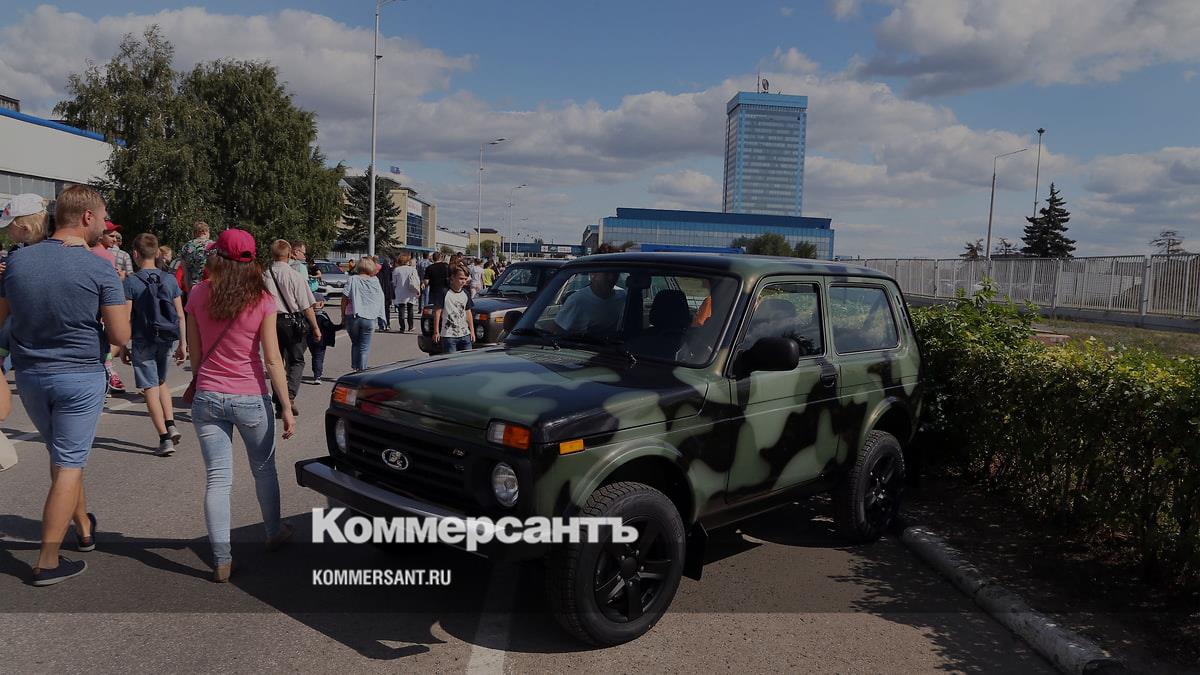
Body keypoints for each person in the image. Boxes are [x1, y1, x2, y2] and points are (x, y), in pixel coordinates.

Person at [0, 185, 131, 586]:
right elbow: (121, 335)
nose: (105, 225)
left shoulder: (18, 262)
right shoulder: (98, 267)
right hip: (79, 375)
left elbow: (2, 317)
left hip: (31, 376)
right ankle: (48, 560)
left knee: (61, 456)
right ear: (87, 217)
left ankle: (84, 528)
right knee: (70, 463)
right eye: (103, 217)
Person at [185, 228, 295, 582]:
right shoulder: (262, 299)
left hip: (208, 395)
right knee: (264, 469)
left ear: (217, 256)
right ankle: (273, 532)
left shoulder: (198, 293)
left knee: (218, 479)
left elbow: (195, 354)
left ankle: (222, 559)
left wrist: (201, 383)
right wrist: (286, 406)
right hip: (250, 396)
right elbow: (273, 359)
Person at [123, 233, 187, 457]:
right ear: (158, 252)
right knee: (161, 381)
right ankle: (171, 424)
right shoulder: (169, 279)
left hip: (143, 339)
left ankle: (164, 438)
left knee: (149, 387)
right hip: (167, 338)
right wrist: (183, 344)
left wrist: (123, 346)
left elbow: (126, 318)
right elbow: (180, 315)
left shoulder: (131, 282)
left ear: (135, 254)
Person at [263, 240, 320, 418]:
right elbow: (306, 306)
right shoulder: (295, 275)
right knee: (296, 360)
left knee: (276, 362)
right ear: (289, 255)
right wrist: (315, 328)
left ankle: (280, 402)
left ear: (272, 254)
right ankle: (289, 394)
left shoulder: (264, 275)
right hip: (292, 322)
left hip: (270, 322)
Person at [91, 220, 127, 393]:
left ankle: (108, 373)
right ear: (100, 236)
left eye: (115, 236)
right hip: (104, 305)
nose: (114, 239)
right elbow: (108, 284)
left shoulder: (90, 251)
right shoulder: (106, 255)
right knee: (115, 338)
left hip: (92, 304)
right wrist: (120, 278)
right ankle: (108, 372)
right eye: (111, 235)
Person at [342, 257, 385, 371]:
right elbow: (380, 298)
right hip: (369, 317)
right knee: (364, 347)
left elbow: (344, 298)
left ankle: (355, 368)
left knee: (355, 343)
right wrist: (379, 315)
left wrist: (343, 315)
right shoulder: (375, 281)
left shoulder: (352, 279)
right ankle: (362, 370)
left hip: (353, 315)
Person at [552, 271, 626, 335]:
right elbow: (556, 331)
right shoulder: (577, 300)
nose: (612, 278)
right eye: (607, 274)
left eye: (615, 273)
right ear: (593, 275)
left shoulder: (622, 296)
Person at [433, 266, 475, 353]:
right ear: (453, 277)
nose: (463, 281)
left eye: (465, 279)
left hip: (465, 334)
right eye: (461, 278)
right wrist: (436, 331)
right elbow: (437, 312)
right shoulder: (444, 292)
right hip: (449, 335)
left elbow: (468, 312)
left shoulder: (465, 293)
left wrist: (472, 331)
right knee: (452, 360)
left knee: (467, 359)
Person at [304, 293, 340, 384]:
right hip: (321, 341)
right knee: (319, 357)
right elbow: (330, 327)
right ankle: (317, 376)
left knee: (315, 357)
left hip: (309, 340)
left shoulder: (307, 315)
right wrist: (341, 326)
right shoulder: (323, 316)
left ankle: (316, 372)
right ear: (321, 303)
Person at [391, 254, 420, 333]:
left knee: (401, 309)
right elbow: (417, 281)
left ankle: (402, 327)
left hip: (400, 291)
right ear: (407, 261)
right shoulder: (413, 269)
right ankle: (410, 326)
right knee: (410, 309)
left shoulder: (396, 270)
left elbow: (394, 282)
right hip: (411, 291)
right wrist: (418, 290)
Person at [180, 221, 212, 292]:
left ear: (195, 233)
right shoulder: (213, 246)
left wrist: (188, 290)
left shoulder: (186, 246)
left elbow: (185, 272)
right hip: (210, 286)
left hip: (193, 287)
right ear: (205, 232)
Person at [377, 255, 395, 331]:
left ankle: (381, 325)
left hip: (380, 294)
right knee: (387, 310)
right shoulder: (390, 273)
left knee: (380, 310)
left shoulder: (379, 274)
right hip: (388, 294)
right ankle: (387, 324)